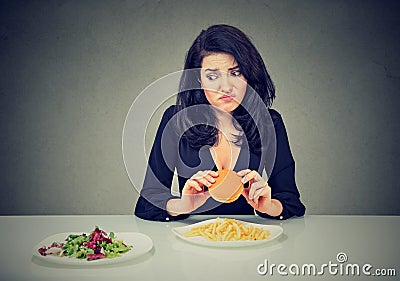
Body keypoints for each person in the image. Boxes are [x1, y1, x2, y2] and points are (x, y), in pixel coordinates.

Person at [134, 24, 306, 221]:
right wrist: (183, 205)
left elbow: (291, 202)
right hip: (191, 242)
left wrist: (269, 206)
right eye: (212, 76)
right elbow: (147, 204)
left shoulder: (269, 123)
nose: (226, 87)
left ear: (249, 74)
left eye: (235, 73)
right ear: (198, 79)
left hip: (248, 240)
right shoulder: (176, 120)